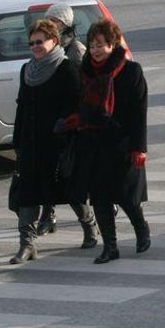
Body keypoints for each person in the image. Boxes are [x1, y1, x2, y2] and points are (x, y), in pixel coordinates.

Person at [10, 19, 99, 264]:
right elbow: (22, 107)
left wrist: (67, 128)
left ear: (54, 41)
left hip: (58, 144)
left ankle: (90, 226)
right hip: (31, 143)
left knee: (69, 192)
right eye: (32, 43)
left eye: (40, 42)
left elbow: (78, 105)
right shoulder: (26, 70)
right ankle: (26, 244)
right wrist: (17, 141)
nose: (35, 46)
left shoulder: (67, 68)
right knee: (27, 193)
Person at [64, 19, 149, 264]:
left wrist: (139, 148)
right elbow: (82, 104)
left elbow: (139, 112)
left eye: (100, 45)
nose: (95, 50)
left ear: (112, 44)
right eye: (92, 45)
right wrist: (75, 120)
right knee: (100, 197)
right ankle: (110, 246)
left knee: (125, 196)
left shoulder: (131, 71)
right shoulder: (86, 71)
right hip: (93, 143)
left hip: (122, 144)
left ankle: (141, 229)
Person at [34, 3, 89, 238]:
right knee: (48, 173)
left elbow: (80, 88)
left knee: (69, 176)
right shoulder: (46, 50)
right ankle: (48, 216)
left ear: (64, 25)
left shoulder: (75, 50)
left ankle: (90, 223)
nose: (49, 26)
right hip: (50, 123)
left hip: (71, 123)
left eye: (53, 22)